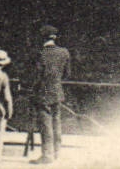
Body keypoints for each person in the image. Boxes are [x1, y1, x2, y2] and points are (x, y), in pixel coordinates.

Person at [32, 27, 71, 165]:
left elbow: (36, 76)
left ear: (42, 38)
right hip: (57, 92)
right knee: (56, 122)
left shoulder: (40, 54)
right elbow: (67, 74)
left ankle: (47, 155)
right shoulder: (64, 52)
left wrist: (32, 88)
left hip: (43, 93)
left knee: (45, 125)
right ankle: (57, 153)